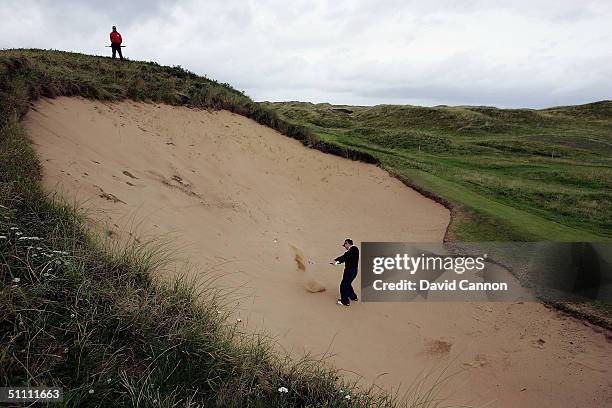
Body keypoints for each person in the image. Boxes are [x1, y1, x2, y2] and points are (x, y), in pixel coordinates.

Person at [330, 239, 359, 306]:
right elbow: (345, 256)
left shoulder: (354, 249)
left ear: (347, 243)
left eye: (345, 245)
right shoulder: (351, 251)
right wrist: (336, 260)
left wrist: (338, 262)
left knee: (343, 286)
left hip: (350, 271)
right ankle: (353, 297)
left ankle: (345, 302)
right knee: (348, 284)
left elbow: (346, 257)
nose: (344, 247)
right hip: (352, 271)